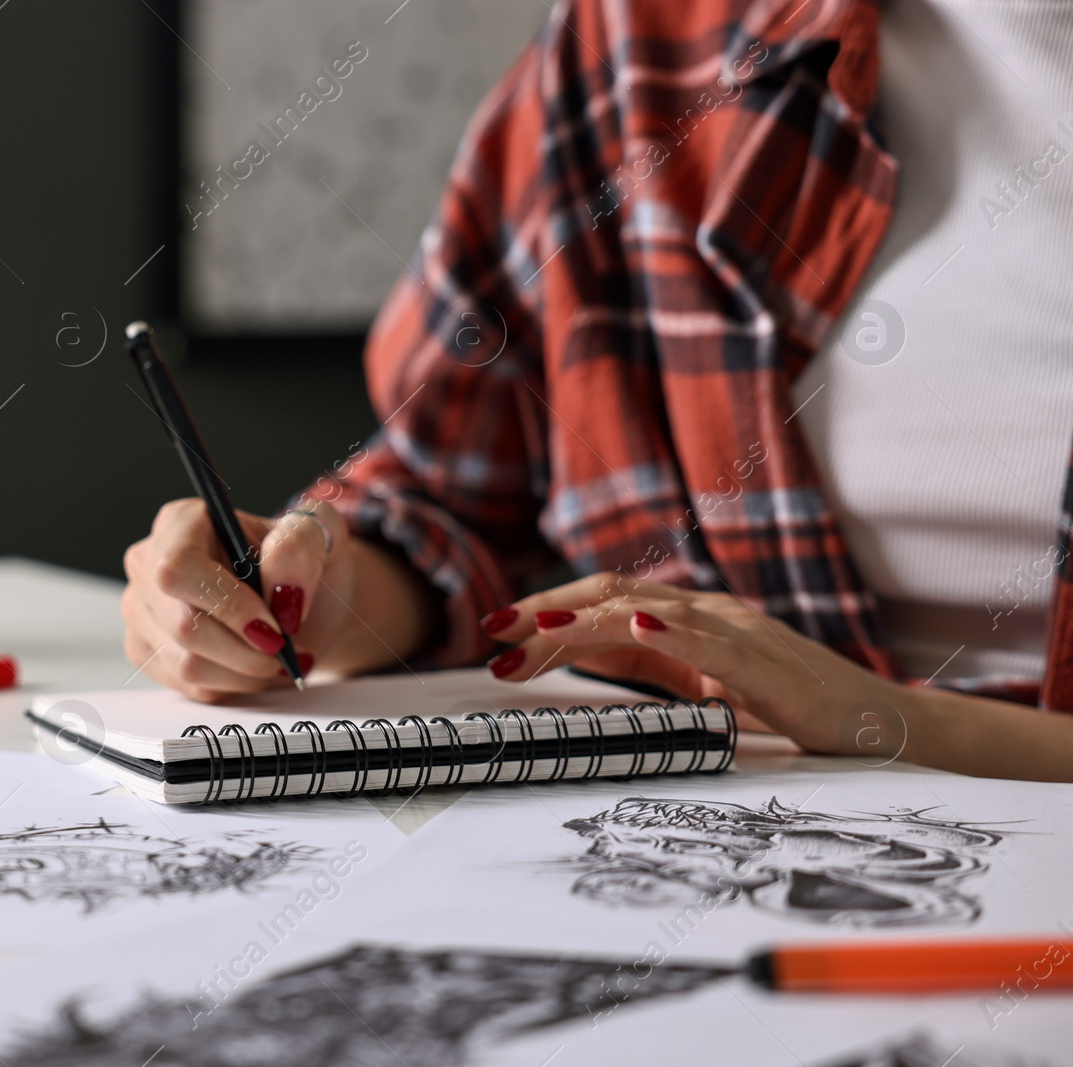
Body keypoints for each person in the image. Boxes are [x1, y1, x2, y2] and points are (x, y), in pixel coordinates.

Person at [122, 0, 1073, 781]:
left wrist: (886, 722)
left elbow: (854, 718)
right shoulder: (639, 43)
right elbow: (448, 491)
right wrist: (312, 590)